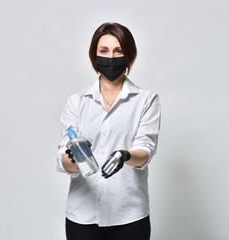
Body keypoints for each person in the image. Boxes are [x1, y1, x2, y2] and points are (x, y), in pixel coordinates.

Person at [57, 22, 161, 240]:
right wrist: (73, 157)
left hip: (130, 216)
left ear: (129, 55)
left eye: (118, 51)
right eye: (104, 51)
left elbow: (146, 149)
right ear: (94, 55)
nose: (111, 57)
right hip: (81, 218)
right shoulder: (76, 102)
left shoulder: (146, 100)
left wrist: (125, 156)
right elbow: (62, 160)